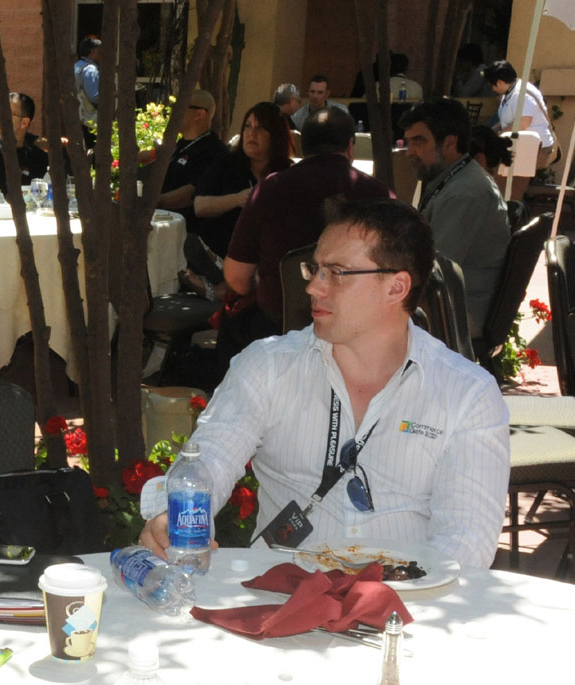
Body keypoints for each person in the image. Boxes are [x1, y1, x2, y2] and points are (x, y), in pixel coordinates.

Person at [140, 199, 509, 570]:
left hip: (405, 608)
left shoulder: (466, 394)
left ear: (396, 287)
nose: (314, 288)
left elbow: (465, 546)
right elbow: (209, 461)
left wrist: (389, 600)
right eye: (315, 269)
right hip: (279, 604)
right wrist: (170, 515)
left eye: (336, 273)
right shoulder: (269, 367)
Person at [220, 106, 389, 366]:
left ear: (302, 147)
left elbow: (236, 277)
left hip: (279, 328)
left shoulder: (270, 190)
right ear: (350, 146)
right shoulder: (378, 194)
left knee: (232, 323)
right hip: (357, 334)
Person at [399, 99, 510, 336]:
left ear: (450, 143)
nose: (410, 152)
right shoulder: (454, 179)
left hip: (459, 314)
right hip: (455, 303)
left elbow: (431, 273)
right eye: (408, 142)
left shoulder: (464, 194)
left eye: (419, 141)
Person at [185, 101, 292, 293]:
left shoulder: (287, 173)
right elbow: (200, 206)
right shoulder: (226, 164)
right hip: (227, 248)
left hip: (266, 253)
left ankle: (217, 291)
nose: (251, 134)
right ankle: (221, 283)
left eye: (260, 128)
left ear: (275, 136)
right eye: (248, 126)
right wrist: (237, 199)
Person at [486, 59, 556, 200]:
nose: (492, 89)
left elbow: (522, 123)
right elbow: (508, 121)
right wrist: (489, 132)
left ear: (499, 82)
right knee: (500, 181)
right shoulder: (510, 92)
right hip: (519, 146)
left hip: (531, 148)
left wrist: (498, 135)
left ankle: (512, 214)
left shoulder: (521, 93)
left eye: (491, 85)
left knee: (510, 188)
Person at [156, 89, 229, 217]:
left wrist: (155, 201)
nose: (173, 112)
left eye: (180, 107)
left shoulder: (213, 150)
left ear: (199, 114)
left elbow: (192, 192)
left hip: (186, 230)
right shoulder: (181, 144)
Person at [74, 36, 101, 145]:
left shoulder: (76, 66)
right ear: (93, 52)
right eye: (101, 51)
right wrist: (114, 94)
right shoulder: (91, 69)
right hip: (89, 122)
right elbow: (95, 97)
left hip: (77, 118)